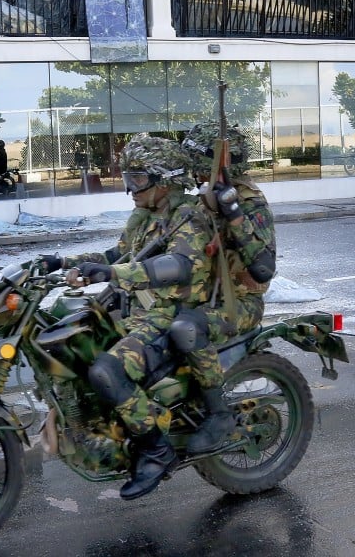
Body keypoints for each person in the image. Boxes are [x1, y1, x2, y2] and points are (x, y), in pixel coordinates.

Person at [38, 135, 212, 500]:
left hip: (173, 314)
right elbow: (116, 254)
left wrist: (116, 275)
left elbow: (179, 265)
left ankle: (156, 449)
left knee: (107, 370)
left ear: (163, 180)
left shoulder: (189, 217)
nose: (130, 188)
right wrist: (64, 262)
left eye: (138, 179)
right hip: (137, 309)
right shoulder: (146, 216)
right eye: (128, 178)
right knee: (78, 345)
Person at [175, 121, 277, 454]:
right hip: (206, 296)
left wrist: (232, 211)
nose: (192, 169)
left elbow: (263, 268)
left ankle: (217, 414)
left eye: (196, 160)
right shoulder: (202, 199)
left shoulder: (248, 201)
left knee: (187, 329)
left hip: (240, 304)